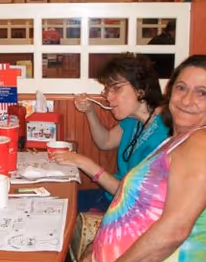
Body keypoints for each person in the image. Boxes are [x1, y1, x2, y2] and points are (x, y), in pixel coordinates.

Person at [22, 55, 206, 262]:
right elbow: (140, 209)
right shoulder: (175, 141)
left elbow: (173, 231)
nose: (187, 100)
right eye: (181, 88)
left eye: (202, 93)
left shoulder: (204, 144)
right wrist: (96, 247)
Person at [69, 53, 169, 212]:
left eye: (116, 88)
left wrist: (84, 163)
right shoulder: (134, 118)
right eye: (107, 89)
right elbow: (106, 141)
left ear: (141, 90)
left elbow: (133, 196)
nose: (108, 97)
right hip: (109, 196)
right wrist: (90, 111)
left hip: (127, 209)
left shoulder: (164, 135)